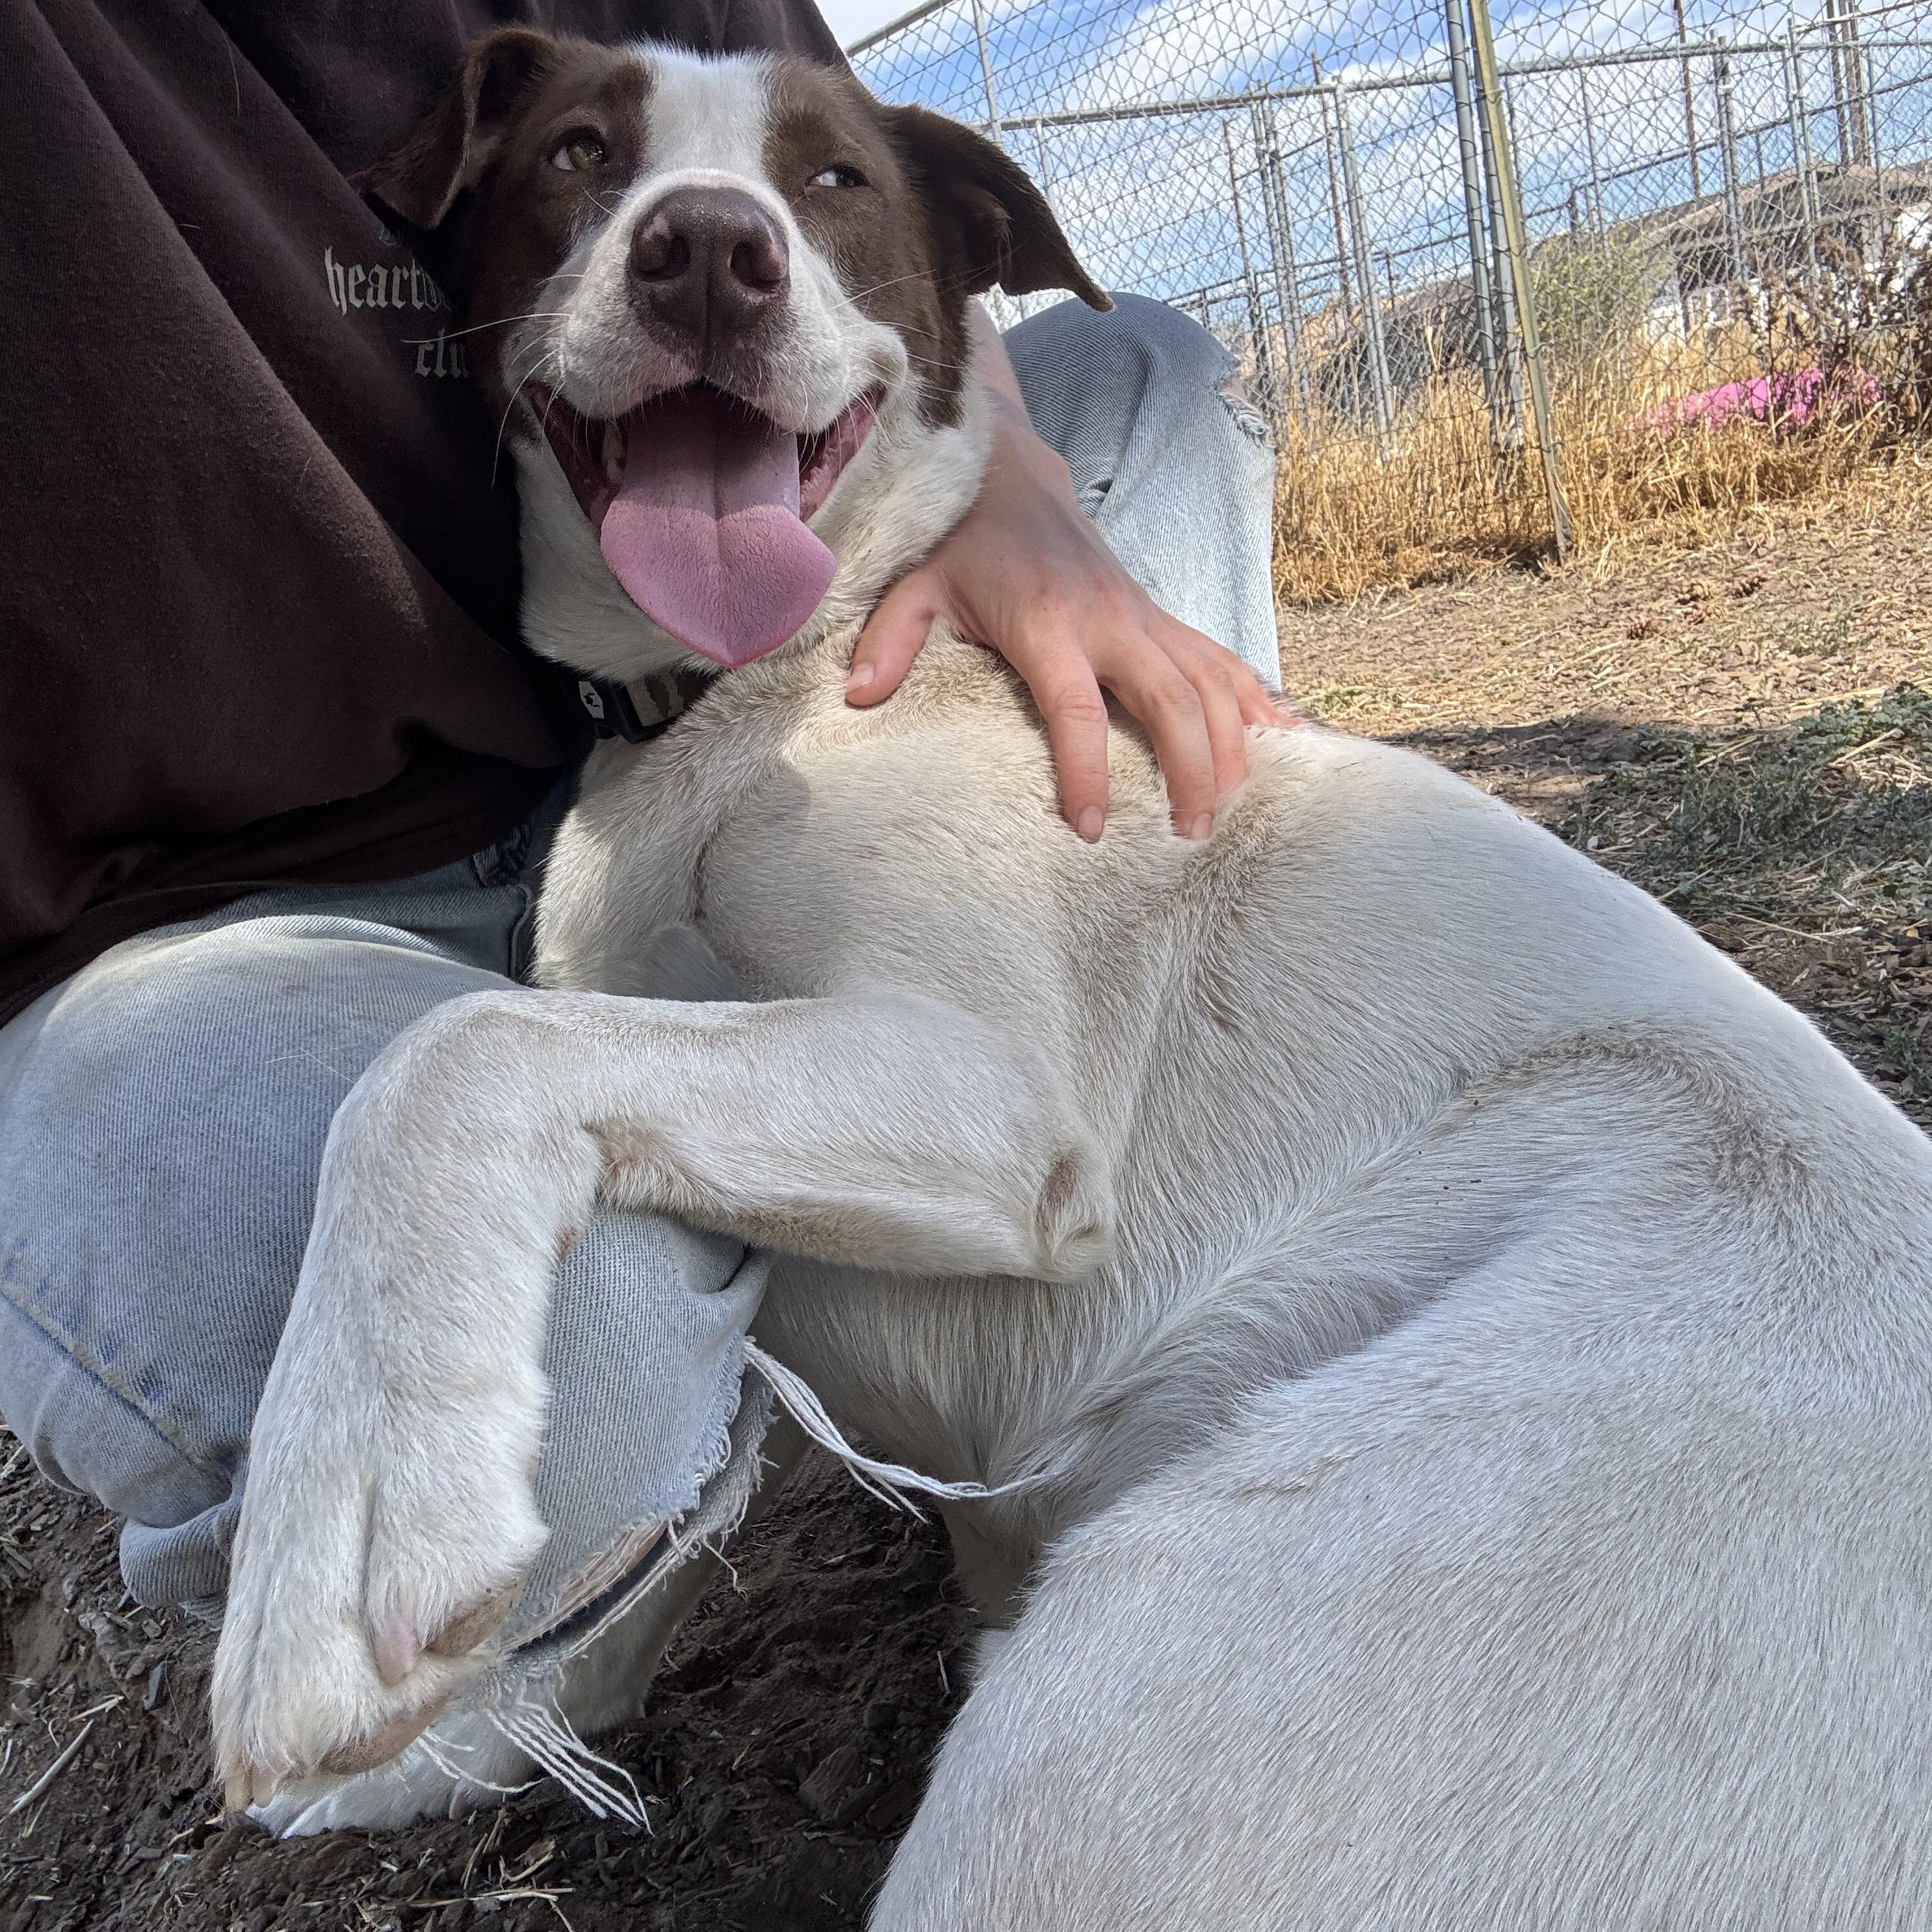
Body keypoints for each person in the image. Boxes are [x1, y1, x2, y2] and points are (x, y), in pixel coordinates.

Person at [0, 0, 1283, 1817]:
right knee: (533, 1416)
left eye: (795, 185)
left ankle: (1070, 1036)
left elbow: (859, 219)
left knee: (1137, 377)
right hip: (196, 915)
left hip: (653, 744)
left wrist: (1005, 480)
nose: (698, 227)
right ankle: (787, 1250)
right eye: (592, 171)